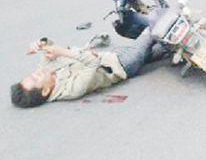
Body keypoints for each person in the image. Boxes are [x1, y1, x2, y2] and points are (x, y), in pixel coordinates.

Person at [10, 31, 162, 108]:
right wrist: (62, 51)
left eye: (32, 74)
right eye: (36, 79)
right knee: (156, 26)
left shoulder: (47, 76)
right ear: (44, 91)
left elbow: (49, 47)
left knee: (163, 47)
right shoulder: (71, 90)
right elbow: (93, 62)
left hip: (112, 54)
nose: (37, 72)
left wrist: (40, 44)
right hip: (122, 63)